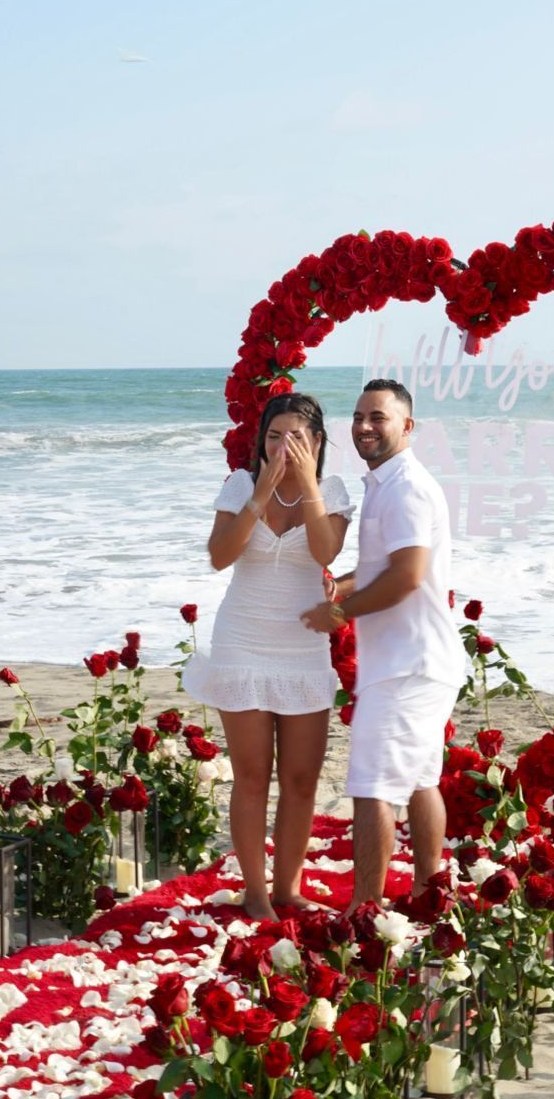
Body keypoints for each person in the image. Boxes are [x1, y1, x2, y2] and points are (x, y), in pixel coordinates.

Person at [182, 393, 353, 920]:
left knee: (302, 779)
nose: (283, 446)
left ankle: (288, 887)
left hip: (301, 647)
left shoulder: (332, 492)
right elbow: (219, 557)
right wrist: (259, 494)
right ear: (262, 441)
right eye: (274, 436)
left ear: (317, 443)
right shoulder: (239, 484)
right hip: (242, 642)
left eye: (297, 437)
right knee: (252, 776)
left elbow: (326, 554)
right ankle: (256, 894)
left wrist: (304, 487)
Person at [301, 379, 464, 910]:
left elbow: (409, 576)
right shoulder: (386, 483)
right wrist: (343, 585)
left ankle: (363, 910)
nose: (364, 426)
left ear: (408, 426)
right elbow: (387, 567)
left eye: (379, 417)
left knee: (372, 786)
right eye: (358, 416)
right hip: (415, 659)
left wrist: (340, 613)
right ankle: (425, 892)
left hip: (407, 664)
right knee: (419, 781)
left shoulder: (407, 486)